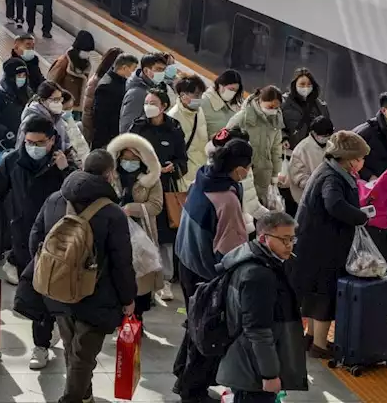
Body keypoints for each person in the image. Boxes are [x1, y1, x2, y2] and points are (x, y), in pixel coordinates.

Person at [30, 149, 136, 403]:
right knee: (83, 356)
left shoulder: (56, 199)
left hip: (57, 288)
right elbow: (122, 262)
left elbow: (35, 236)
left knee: (72, 348)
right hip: (96, 296)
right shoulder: (113, 213)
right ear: (110, 174)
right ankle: (72, 399)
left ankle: (84, 394)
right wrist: (128, 298)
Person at [0, 116, 74, 367]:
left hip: (57, 238)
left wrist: (66, 170)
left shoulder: (63, 163)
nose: (33, 147)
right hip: (23, 237)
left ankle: (42, 340)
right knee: (35, 292)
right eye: (29, 141)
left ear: (52, 141)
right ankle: (41, 342)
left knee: (50, 292)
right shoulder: (12, 161)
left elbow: (81, 193)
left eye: (39, 142)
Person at [171, 134, 253, 403]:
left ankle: (182, 372)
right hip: (207, 274)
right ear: (239, 167)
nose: (248, 172)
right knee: (208, 333)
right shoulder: (226, 199)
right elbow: (230, 251)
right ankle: (192, 391)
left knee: (194, 323)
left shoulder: (203, 176)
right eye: (248, 167)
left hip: (186, 261)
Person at [291, 130, 373, 359]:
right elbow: (334, 204)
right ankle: (320, 346)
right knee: (324, 295)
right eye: (360, 158)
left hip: (315, 244)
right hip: (323, 247)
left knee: (315, 293)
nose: (363, 162)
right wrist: (360, 216)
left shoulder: (328, 169)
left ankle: (309, 338)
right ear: (350, 159)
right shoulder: (333, 177)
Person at [215, 211, 307, 403]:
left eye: (292, 239)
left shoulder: (252, 258)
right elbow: (258, 330)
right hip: (252, 370)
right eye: (284, 239)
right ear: (264, 238)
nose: (289, 245)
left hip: (245, 361)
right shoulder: (258, 275)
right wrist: (270, 374)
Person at [108, 132, 168, 313]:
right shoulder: (112, 178)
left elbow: (156, 206)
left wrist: (130, 209)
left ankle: (138, 317)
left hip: (143, 233)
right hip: (116, 233)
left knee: (141, 280)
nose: (129, 162)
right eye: (125, 158)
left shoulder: (150, 180)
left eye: (133, 158)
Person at [227, 86, 285, 207]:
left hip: (263, 173)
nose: (273, 110)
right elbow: (226, 138)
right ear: (260, 101)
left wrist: (275, 174)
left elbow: (276, 149)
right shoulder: (243, 117)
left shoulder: (276, 121)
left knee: (260, 210)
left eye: (276, 107)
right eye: (270, 107)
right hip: (242, 172)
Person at [0, 57, 32, 161]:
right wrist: (6, 133)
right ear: (10, 77)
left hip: (23, 142)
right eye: (19, 75)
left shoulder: (26, 92)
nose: (22, 79)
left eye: (24, 75)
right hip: (3, 146)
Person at [167, 75, 209, 185]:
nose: (199, 98)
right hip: (184, 176)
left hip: (200, 171)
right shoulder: (173, 117)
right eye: (196, 95)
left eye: (201, 95)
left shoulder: (199, 112)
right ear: (183, 96)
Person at [117, 52, 169, 134]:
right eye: (158, 69)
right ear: (146, 70)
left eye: (163, 70)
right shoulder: (136, 93)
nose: (162, 73)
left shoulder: (155, 88)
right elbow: (126, 128)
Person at [288, 116, 332, 206]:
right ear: (313, 133)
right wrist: (318, 186)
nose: (326, 138)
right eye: (323, 136)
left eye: (328, 136)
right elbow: (298, 177)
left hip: (328, 193)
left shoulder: (331, 146)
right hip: (308, 198)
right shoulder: (301, 150)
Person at [281, 68, 329, 148]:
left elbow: (328, 129)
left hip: (312, 152)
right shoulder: (283, 102)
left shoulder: (321, 106)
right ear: (295, 85)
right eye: (302, 84)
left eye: (309, 84)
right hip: (289, 151)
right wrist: (283, 138)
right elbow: (275, 125)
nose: (306, 87)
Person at [202, 69, 246, 137]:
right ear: (220, 85)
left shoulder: (236, 105)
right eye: (231, 89)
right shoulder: (204, 102)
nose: (233, 93)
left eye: (236, 91)